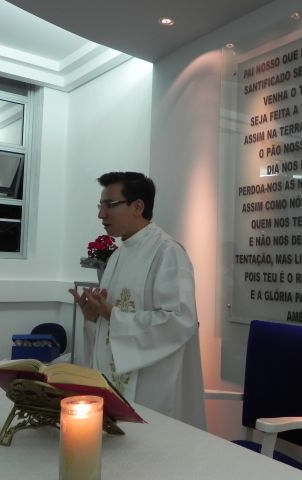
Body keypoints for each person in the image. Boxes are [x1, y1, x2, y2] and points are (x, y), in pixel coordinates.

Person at [69, 172, 206, 429]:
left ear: (138, 207)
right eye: (100, 205)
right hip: (116, 379)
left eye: (110, 205)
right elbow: (108, 319)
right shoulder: (118, 256)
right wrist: (93, 317)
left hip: (153, 385)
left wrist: (111, 315)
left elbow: (179, 321)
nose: (101, 214)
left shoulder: (168, 252)